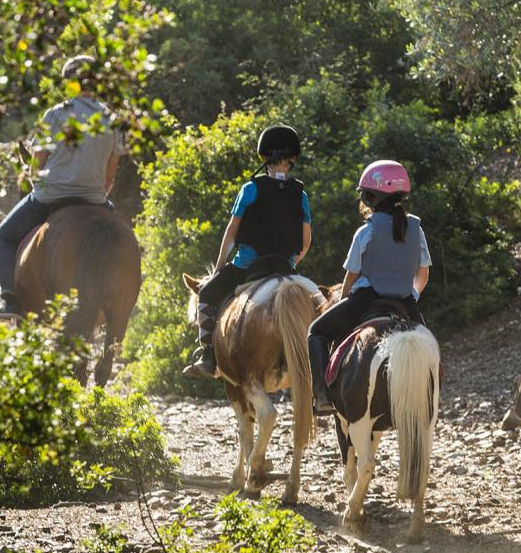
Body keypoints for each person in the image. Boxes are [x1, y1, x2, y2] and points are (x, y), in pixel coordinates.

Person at [0, 56, 126, 319]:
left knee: (3, 237)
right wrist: (94, 194)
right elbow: (110, 175)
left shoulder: (55, 115)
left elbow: (36, 167)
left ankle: (10, 300)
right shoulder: (113, 120)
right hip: (94, 199)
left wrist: (38, 183)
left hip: (50, 198)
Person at [184, 124, 311, 377]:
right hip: (285, 268)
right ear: (293, 158)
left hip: (247, 266)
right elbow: (305, 242)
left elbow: (232, 233)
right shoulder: (300, 194)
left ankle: (208, 355)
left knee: (207, 293)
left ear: (263, 157)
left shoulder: (250, 189)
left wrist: (220, 266)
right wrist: (290, 264)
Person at [308, 160, 432, 414]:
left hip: (366, 298)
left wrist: (344, 300)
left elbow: (351, 277)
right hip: (405, 301)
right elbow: (423, 274)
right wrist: (412, 294)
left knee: (316, 332)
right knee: (429, 347)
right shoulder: (416, 230)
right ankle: (431, 395)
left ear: (370, 197)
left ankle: (321, 395)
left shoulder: (366, 231)